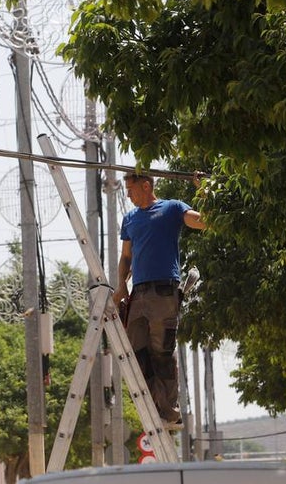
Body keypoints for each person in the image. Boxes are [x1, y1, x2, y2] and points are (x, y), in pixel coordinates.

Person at [112, 172, 205, 430]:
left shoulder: (172, 208)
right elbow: (126, 257)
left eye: (131, 189)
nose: (128, 195)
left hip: (164, 291)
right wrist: (121, 285)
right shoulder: (130, 219)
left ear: (146, 186)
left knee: (161, 351)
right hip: (138, 293)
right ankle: (155, 407)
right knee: (136, 353)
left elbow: (204, 222)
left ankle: (169, 411)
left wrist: (204, 191)